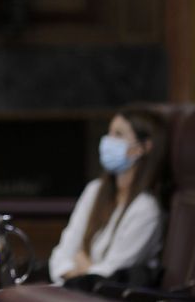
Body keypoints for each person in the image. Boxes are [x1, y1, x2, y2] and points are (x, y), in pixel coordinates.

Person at [47, 107, 168, 285]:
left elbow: (112, 272)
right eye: (109, 132)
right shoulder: (95, 190)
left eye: (118, 134)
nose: (107, 141)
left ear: (143, 148)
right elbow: (62, 254)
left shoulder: (146, 208)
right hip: (73, 291)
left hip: (107, 301)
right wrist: (79, 272)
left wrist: (83, 269)